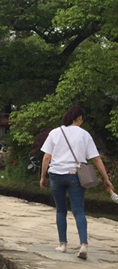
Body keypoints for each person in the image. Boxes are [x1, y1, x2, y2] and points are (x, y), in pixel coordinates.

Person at [39, 105, 114, 259]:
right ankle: (84, 244)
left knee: (61, 210)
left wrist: (43, 176)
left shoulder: (55, 132)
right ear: (79, 117)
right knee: (78, 210)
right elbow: (96, 159)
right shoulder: (84, 134)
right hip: (75, 175)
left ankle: (63, 244)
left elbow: (46, 157)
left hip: (56, 174)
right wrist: (106, 179)